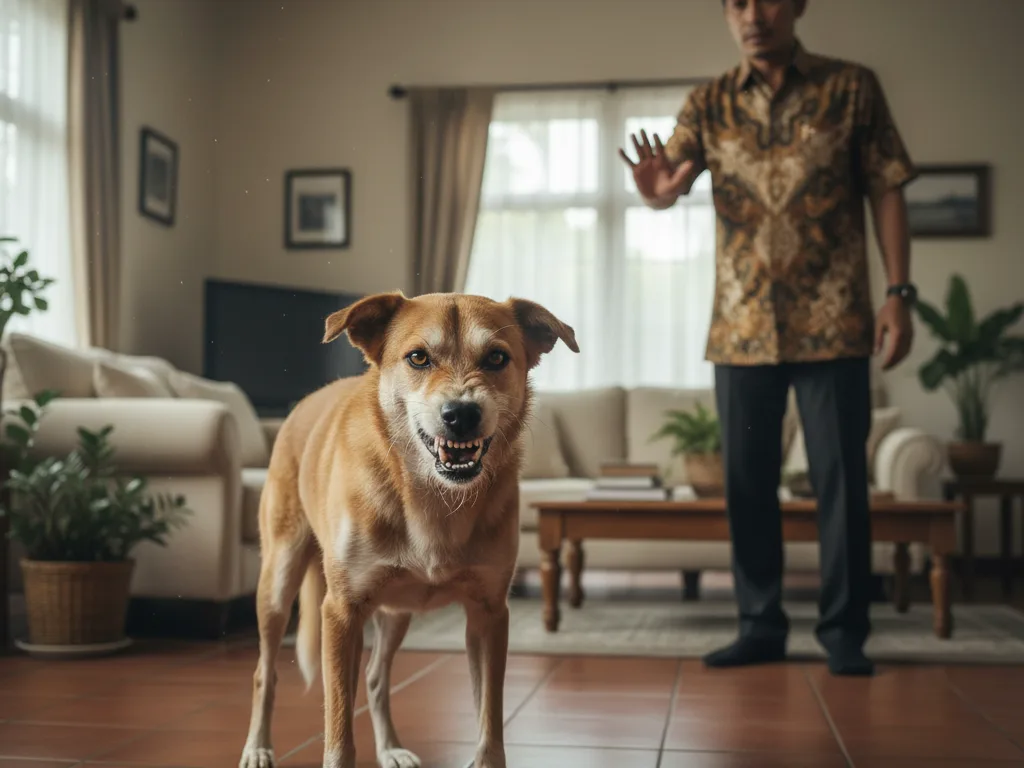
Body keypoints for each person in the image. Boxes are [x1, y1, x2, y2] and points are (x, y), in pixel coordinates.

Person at [618, 0, 917, 676]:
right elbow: (669, 182)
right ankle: (760, 625)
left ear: (799, 5)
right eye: (737, 2)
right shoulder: (708, 103)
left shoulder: (852, 87)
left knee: (841, 484)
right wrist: (655, 192)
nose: (754, 14)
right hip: (742, 327)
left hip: (836, 322)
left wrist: (899, 294)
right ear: (727, 14)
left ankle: (845, 634)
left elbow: (888, 188)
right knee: (747, 485)